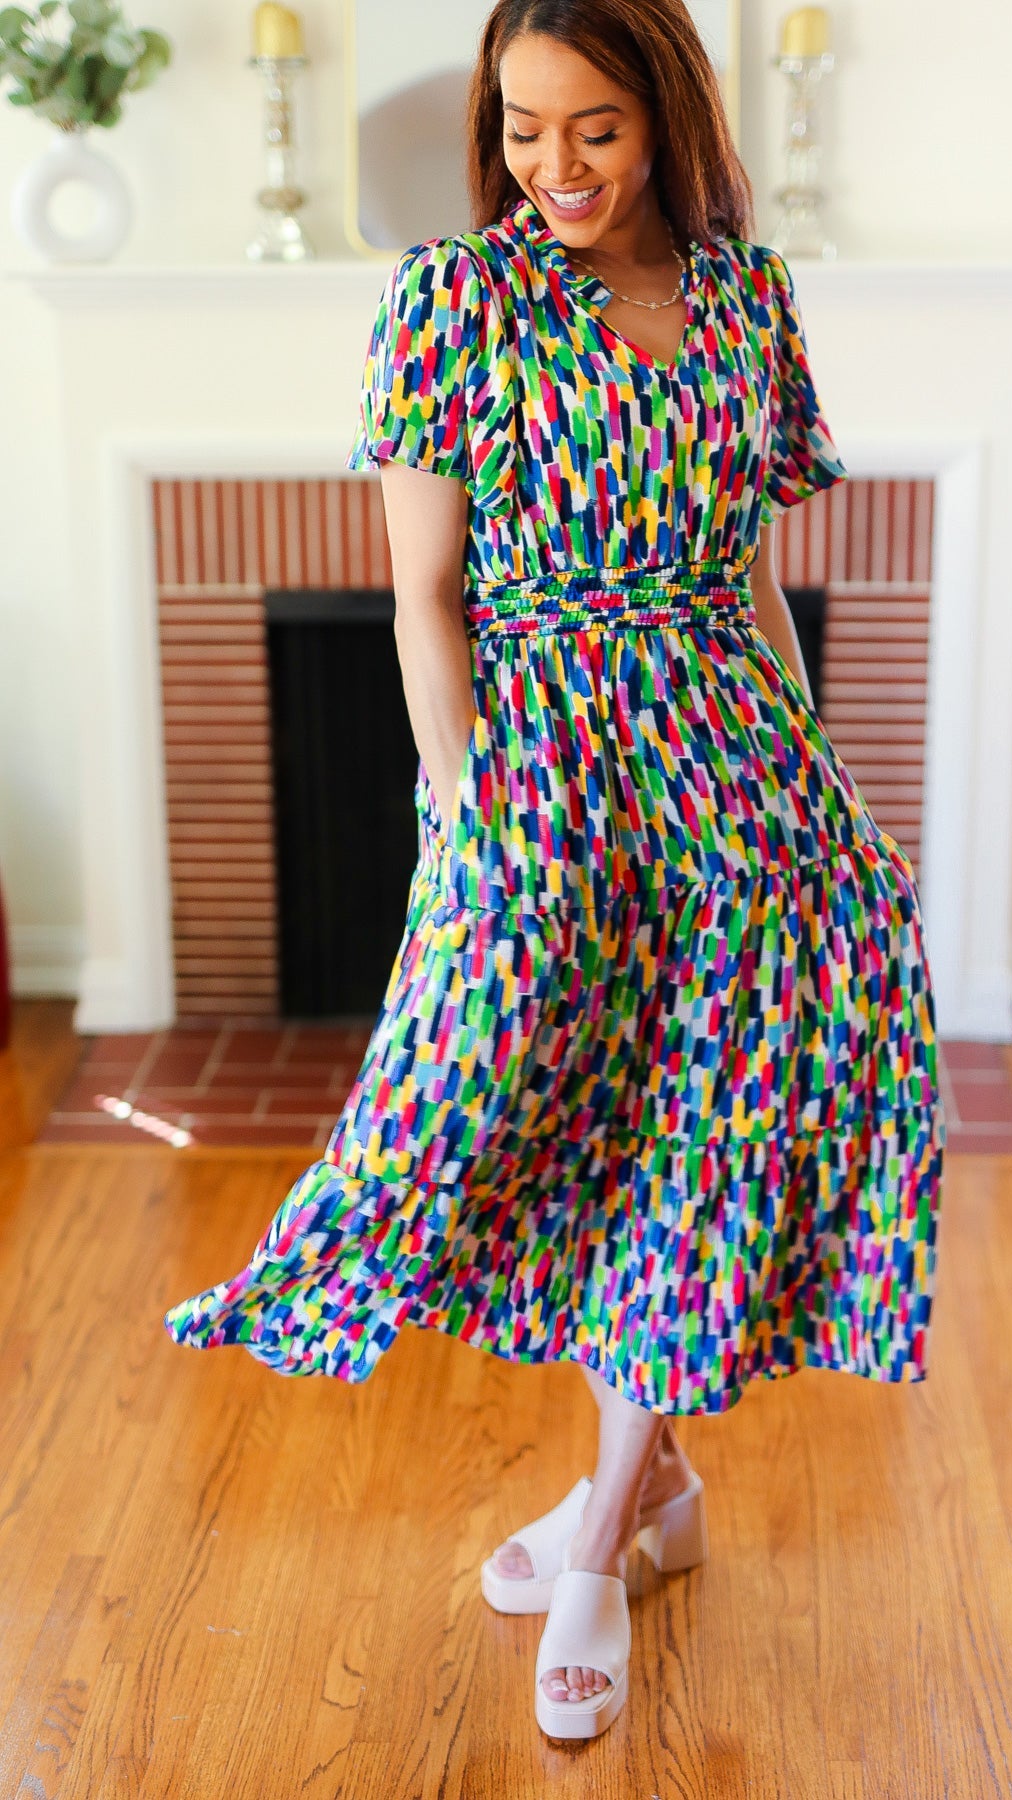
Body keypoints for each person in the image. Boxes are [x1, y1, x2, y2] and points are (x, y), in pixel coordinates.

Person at [164, 0, 947, 1743]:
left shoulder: (747, 298)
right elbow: (422, 602)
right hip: (549, 779)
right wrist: (471, 830)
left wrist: (821, 781)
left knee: (710, 1142)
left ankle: (600, 1545)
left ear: (665, 116)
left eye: (593, 127)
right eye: (524, 129)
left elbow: (750, 580)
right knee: (530, 1130)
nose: (556, 166)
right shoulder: (458, 298)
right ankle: (652, 1496)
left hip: (739, 780)